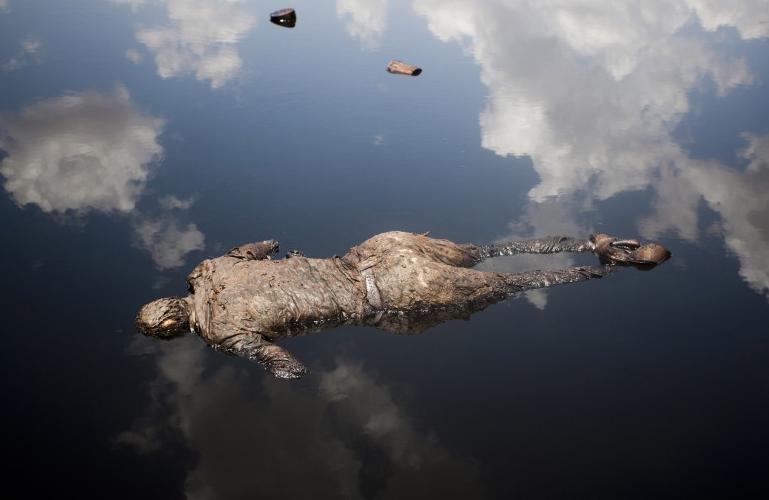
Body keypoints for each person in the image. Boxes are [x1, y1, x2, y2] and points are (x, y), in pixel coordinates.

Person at [136, 230, 670, 378]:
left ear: (174, 331)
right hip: (378, 251)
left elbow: (289, 368)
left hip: (387, 295)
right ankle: (594, 241)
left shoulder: (223, 336)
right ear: (169, 300)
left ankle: (608, 269)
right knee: (488, 251)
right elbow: (266, 243)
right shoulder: (209, 269)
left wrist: (278, 373)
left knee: (514, 283)